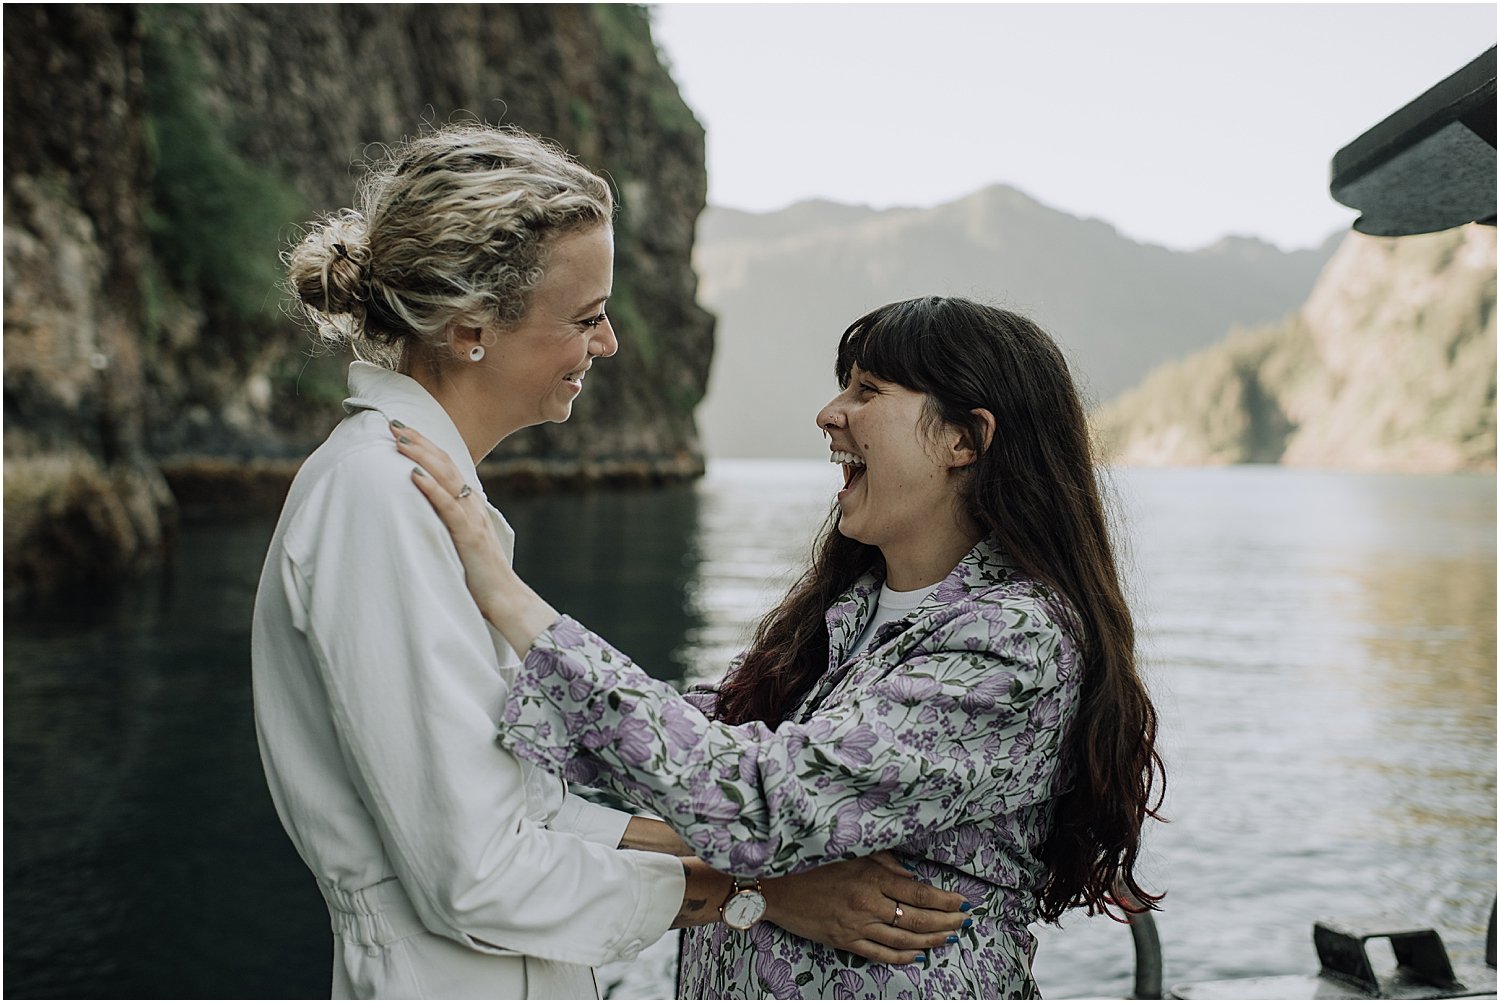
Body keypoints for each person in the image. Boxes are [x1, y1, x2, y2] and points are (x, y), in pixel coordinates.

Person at [250, 125, 968, 1001]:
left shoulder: (424, 495)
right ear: (471, 325)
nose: (610, 343)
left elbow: (533, 805)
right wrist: (755, 892)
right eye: (586, 317)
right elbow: (476, 873)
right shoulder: (378, 498)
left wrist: (755, 846)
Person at [396, 295, 1167, 999]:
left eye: (868, 391)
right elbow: (682, 744)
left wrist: (509, 599)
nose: (830, 413)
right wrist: (460, 680)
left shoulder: (1014, 643)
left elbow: (761, 800)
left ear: (967, 438)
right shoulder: (848, 617)